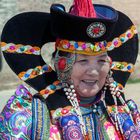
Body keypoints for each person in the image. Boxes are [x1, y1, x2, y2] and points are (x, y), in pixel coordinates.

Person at [0, 0, 140, 139]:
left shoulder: (125, 114)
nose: (94, 71)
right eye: (83, 61)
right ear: (60, 63)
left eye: (101, 60)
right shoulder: (27, 117)